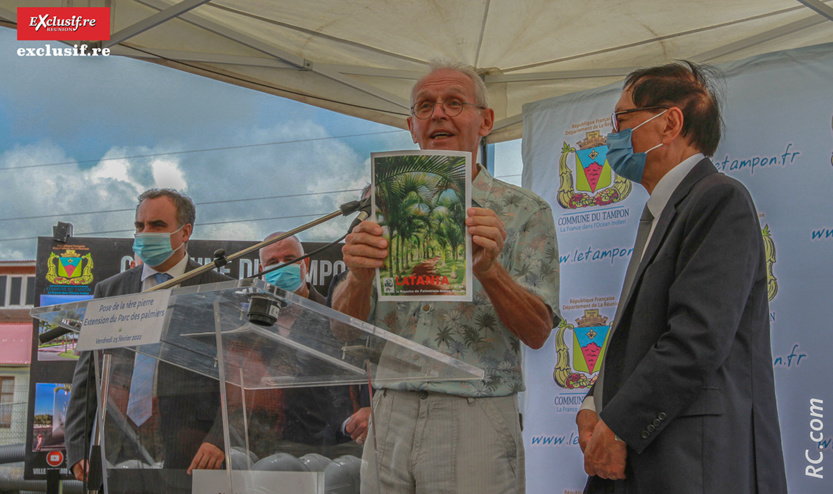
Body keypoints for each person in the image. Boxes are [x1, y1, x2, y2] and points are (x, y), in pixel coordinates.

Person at [331, 60, 560, 494]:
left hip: (474, 412)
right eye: (425, 106)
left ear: (485, 121)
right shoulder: (378, 208)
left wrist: (492, 272)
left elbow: (537, 331)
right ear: (412, 126)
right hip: (390, 411)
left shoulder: (525, 211)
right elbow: (343, 330)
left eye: (455, 103)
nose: (438, 114)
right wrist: (358, 280)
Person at [576, 61, 787, 493]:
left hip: (692, 462)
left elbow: (695, 339)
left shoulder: (718, 198)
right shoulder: (663, 211)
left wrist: (617, 425)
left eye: (621, 120)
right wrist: (592, 403)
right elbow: (641, 336)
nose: (611, 137)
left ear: (669, 123)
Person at [65, 188, 231, 491]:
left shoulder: (218, 290)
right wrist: (77, 447)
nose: (145, 234)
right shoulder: (111, 290)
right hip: (118, 449)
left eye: (156, 225)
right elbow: (88, 376)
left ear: (185, 232)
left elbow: (235, 376)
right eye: (139, 226)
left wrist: (220, 439)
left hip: (192, 451)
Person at [247, 233, 363, 457]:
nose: (282, 266)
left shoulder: (334, 317)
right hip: (262, 446)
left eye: (290, 259)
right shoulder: (252, 322)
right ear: (262, 269)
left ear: (305, 263)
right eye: (272, 262)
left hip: (328, 448)